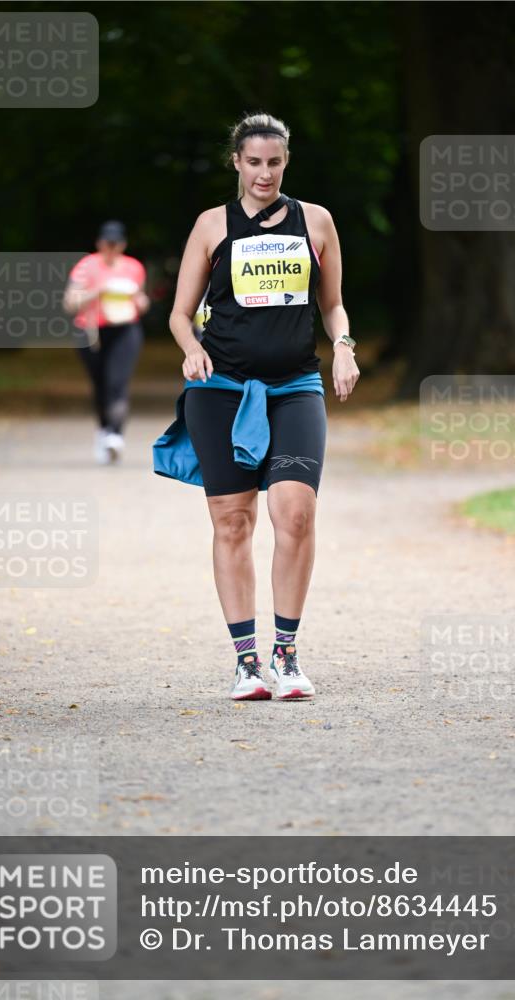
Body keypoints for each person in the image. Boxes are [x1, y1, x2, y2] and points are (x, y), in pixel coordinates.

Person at [153, 112, 359, 701]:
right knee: (233, 520)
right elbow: (178, 313)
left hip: (295, 386)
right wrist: (191, 349)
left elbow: (334, 304)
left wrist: (343, 347)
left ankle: (286, 654)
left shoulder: (315, 221)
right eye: (253, 162)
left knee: (295, 514)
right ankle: (246, 662)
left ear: (285, 161)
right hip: (219, 390)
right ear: (236, 164)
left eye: (274, 162)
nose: (264, 173)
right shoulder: (211, 226)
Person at [63, 221, 149, 464]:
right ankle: (104, 430)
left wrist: (141, 302)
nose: (111, 248)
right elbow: (70, 303)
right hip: (91, 331)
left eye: (116, 244)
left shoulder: (134, 267)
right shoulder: (86, 266)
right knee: (100, 385)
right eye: (107, 244)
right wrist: (98, 291)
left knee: (117, 382)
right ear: (99, 243)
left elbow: (141, 299)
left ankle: (115, 434)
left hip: (125, 330)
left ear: (123, 245)